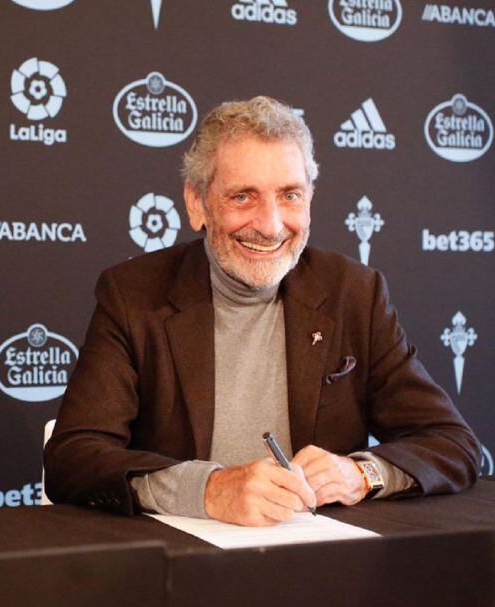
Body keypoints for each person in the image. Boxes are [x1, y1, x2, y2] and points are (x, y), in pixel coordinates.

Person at [44, 96, 481, 526]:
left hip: (322, 568)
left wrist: (362, 473)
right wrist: (209, 490)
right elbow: (74, 456)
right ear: (197, 203)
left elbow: (453, 443)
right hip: (180, 570)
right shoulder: (134, 295)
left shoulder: (354, 293)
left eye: (289, 195)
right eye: (243, 197)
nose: (271, 225)